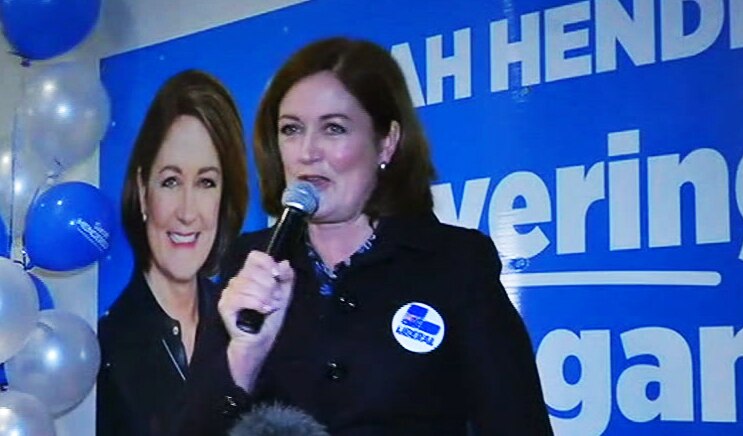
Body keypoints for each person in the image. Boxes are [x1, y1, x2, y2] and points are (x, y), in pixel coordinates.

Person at [178, 37, 552, 435]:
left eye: (333, 129)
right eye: (291, 129)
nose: (307, 152)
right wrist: (245, 354)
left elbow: (518, 424)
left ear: (386, 143)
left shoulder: (454, 263)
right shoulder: (251, 263)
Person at [97, 69, 249, 436]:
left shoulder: (245, 326)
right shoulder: (107, 347)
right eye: (170, 181)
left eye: (206, 182)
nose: (186, 211)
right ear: (142, 188)